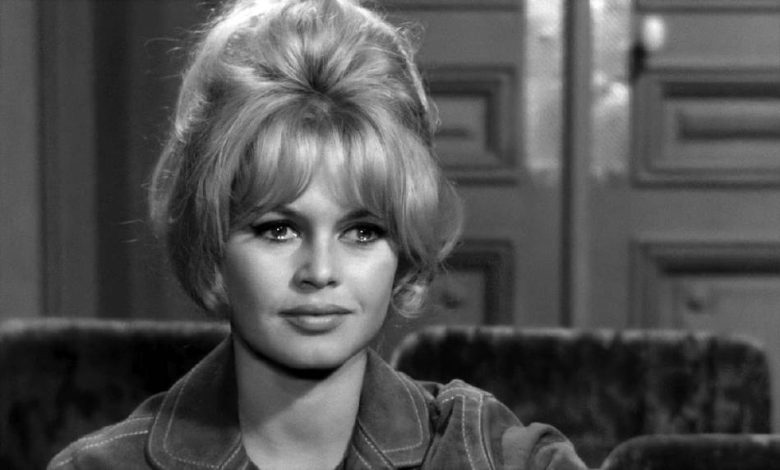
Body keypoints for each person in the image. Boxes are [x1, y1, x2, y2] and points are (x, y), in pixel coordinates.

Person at [48, 0, 587, 468]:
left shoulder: (501, 457)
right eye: (279, 229)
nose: (321, 272)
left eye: (363, 231)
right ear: (212, 241)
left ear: (403, 250)